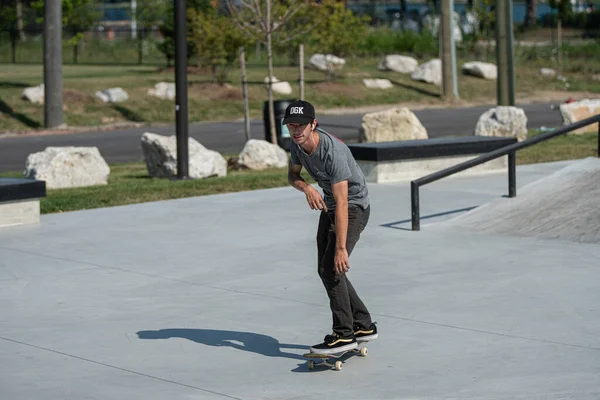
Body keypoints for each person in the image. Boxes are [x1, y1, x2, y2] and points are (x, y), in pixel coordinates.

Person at [284, 99, 378, 355]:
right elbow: (293, 176)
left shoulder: (332, 151)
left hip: (354, 207)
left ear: (313, 124)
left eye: (301, 126)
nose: (296, 131)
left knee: (332, 267)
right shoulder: (297, 145)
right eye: (291, 125)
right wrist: (306, 188)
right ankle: (363, 325)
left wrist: (340, 248)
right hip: (331, 205)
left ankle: (344, 334)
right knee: (325, 269)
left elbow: (343, 202)